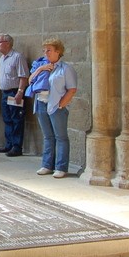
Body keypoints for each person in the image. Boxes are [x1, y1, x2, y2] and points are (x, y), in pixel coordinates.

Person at [30, 38, 77, 179]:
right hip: (41, 103)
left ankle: (61, 167)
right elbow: (30, 80)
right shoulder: (41, 65)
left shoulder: (66, 68)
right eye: (44, 50)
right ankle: (47, 165)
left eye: (49, 50)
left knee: (61, 137)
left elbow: (72, 89)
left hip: (56, 105)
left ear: (58, 51)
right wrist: (40, 69)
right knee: (48, 136)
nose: (46, 53)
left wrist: (61, 104)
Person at [0, 33, 28, 157]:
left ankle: (16, 146)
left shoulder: (17, 57)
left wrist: (20, 92)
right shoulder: (2, 59)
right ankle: (8, 144)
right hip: (5, 93)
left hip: (14, 92)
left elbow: (23, 76)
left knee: (16, 119)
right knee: (7, 119)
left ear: (8, 43)